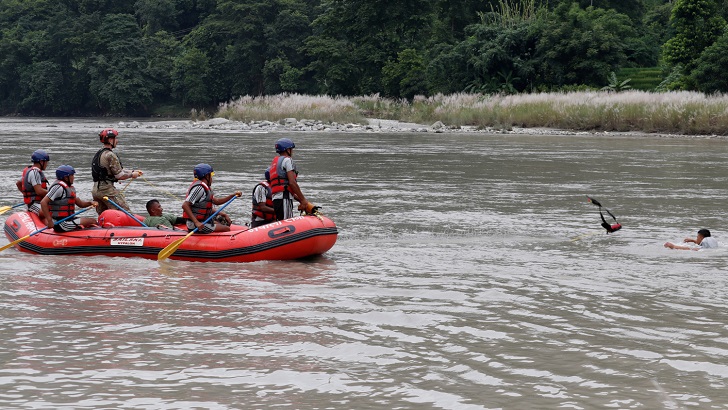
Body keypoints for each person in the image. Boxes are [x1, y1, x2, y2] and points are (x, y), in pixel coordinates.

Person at [91, 128, 142, 214]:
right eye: (115, 139)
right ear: (111, 140)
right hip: (107, 190)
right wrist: (132, 175)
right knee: (126, 213)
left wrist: (132, 171)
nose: (117, 141)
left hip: (96, 190)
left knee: (103, 215)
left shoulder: (99, 153)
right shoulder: (110, 155)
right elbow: (119, 175)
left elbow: (115, 171)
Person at [182, 163, 241, 233]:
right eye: (211, 176)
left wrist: (232, 195)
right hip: (194, 225)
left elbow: (217, 201)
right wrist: (197, 222)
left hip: (202, 221)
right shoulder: (199, 188)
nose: (212, 178)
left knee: (221, 222)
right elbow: (185, 205)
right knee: (226, 229)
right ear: (207, 176)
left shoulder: (206, 188)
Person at [40, 165, 98, 232]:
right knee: (92, 221)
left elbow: (80, 204)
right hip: (61, 223)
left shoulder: (69, 189)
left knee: (90, 223)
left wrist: (91, 203)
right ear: (66, 178)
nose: (73, 177)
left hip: (68, 219)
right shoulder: (58, 188)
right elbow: (43, 202)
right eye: (72, 175)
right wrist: (49, 220)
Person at [268, 138, 313, 220]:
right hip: (284, 198)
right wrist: (303, 200)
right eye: (291, 149)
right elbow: (292, 183)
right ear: (287, 149)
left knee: (280, 221)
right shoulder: (287, 160)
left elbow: (285, 186)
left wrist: (300, 200)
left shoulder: (275, 162)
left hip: (276, 199)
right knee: (286, 223)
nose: (292, 151)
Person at [16, 149, 51, 224]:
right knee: (53, 212)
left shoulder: (28, 170)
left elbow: (18, 183)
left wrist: (26, 195)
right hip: (34, 205)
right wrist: (53, 194)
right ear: (41, 162)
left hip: (36, 203)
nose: (47, 164)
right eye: (46, 162)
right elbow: (39, 191)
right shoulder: (35, 173)